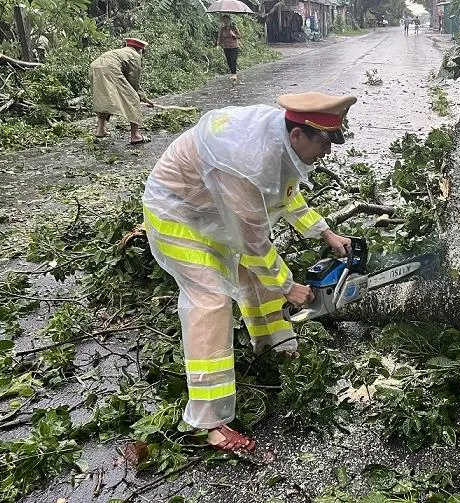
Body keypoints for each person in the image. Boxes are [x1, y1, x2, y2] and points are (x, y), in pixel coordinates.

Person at [141, 92, 356, 452]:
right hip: (178, 214)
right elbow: (253, 241)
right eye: (323, 142)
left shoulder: (278, 139)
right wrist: (289, 286)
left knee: (258, 277)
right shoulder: (246, 161)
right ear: (297, 136)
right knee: (210, 301)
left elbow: (284, 193)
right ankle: (210, 423)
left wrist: (325, 232)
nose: (328, 152)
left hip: (215, 215)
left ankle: (275, 345)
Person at [89, 38, 154, 144]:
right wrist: (141, 99)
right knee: (133, 98)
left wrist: (146, 99)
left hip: (95, 66)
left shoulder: (120, 52)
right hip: (110, 68)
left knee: (104, 97)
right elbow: (133, 83)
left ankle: (100, 130)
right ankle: (136, 135)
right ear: (140, 50)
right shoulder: (135, 56)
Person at [216, 15, 241, 82]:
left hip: (234, 47)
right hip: (226, 47)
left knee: (233, 60)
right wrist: (218, 45)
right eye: (224, 20)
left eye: (226, 20)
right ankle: (232, 73)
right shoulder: (222, 29)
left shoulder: (233, 28)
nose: (225, 22)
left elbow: (239, 36)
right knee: (229, 61)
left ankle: (234, 74)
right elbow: (220, 37)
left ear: (229, 20)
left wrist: (234, 35)